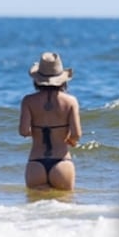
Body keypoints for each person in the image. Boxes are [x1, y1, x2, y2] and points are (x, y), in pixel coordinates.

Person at [19, 52, 82, 191]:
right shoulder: (71, 101)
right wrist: (70, 139)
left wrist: (36, 132)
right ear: (62, 79)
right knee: (63, 209)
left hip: (36, 164)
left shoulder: (28, 101)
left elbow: (23, 131)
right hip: (62, 163)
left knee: (36, 210)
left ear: (37, 79)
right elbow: (77, 133)